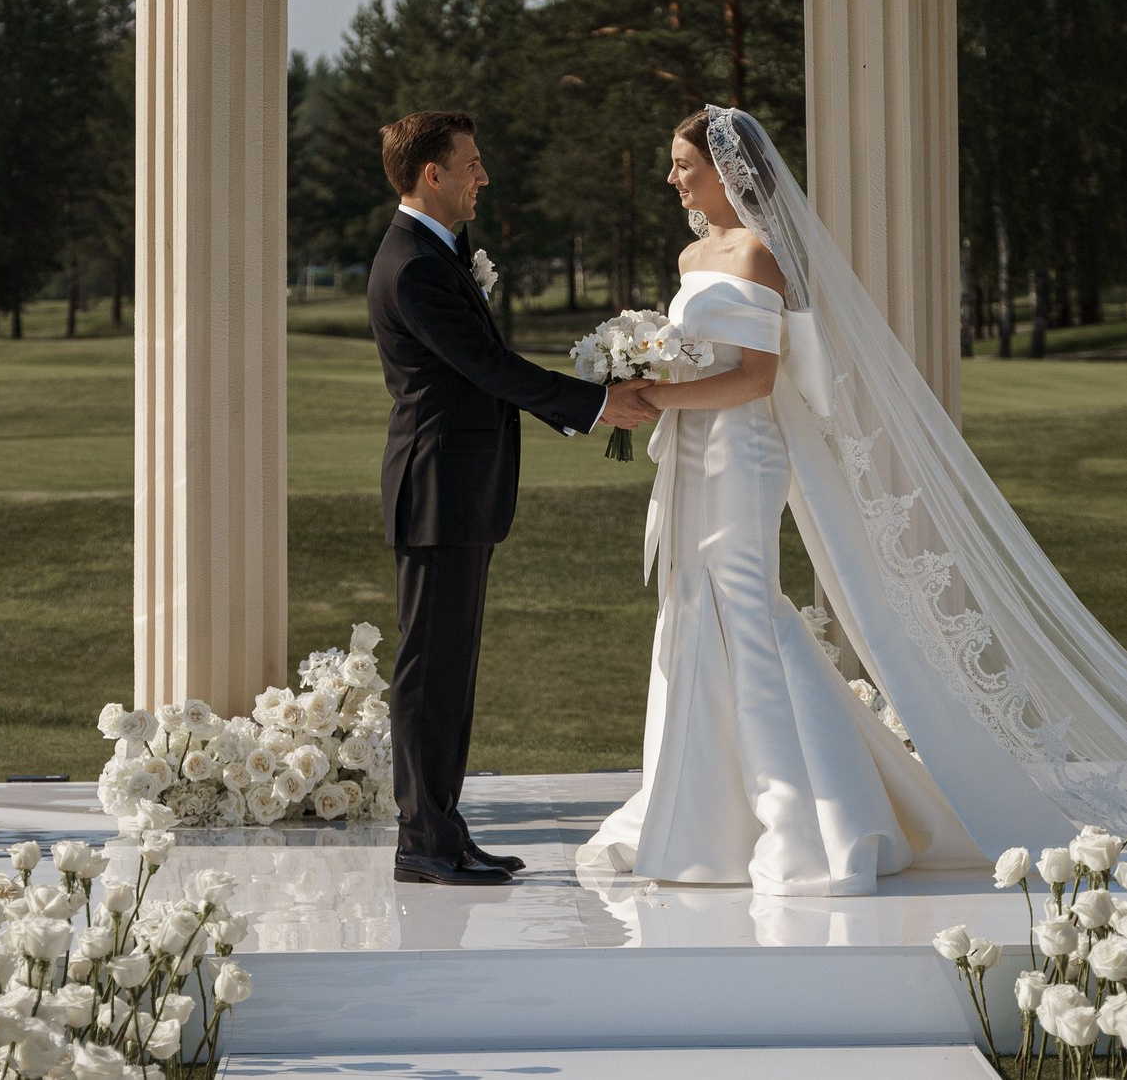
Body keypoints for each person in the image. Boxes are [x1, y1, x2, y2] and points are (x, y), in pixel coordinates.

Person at [579, 105, 1127, 893]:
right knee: (690, 601)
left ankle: (807, 818)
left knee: (746, 602)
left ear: (729, 171)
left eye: (682, 163)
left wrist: (657, 398)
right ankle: (698, 812)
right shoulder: (691, 253)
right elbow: (702, 356)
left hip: (744, 452)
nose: (672, 177)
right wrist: (654, 371)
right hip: (693, 452)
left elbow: (758, 379)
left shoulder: (763, 253)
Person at [368, 110, 657, 887]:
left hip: (459, 489)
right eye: (472, 162)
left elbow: (483, 364)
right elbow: (486, 365)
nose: (482, 176)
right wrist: (597, 404)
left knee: (450, 669)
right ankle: (420, 840)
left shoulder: (435, 253)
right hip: (437, 488)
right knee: (429, 670)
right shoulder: (414, 266)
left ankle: (442, 827)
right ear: (433, 172)